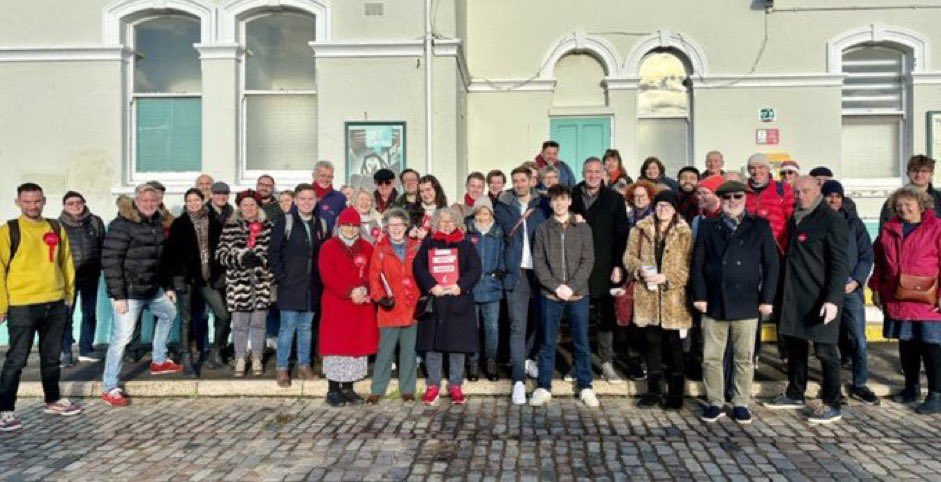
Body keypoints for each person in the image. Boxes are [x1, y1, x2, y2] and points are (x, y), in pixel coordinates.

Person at [691, 180, 779, 424]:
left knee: (744, 357)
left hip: (747, 302)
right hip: (714, 302)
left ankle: (741, 402)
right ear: (720, 199)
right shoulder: (709, 226)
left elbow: (772, 265)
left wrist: (767, 299)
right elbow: (697, 263)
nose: (732, 201)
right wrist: (699, 295)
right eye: (727, 197)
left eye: (737, 197)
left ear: (745, 199)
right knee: (711, 357)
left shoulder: (759, 226)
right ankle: (715, 401)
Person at [764, 176, 848, 424]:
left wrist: (833, 299)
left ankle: (833, 401)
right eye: (796, 191)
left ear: (818, 190)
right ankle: (795, 392)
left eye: (806, 191)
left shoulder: (832, 219)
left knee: (825, 351)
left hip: (820, 296)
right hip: (794, 294)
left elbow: (840, 263)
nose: (801, 195)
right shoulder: (796, 217)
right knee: (795, 347)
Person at [0, 183, 81, 431]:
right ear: (18, 202)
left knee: (51, 358)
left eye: (37, 201)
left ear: (44, 201)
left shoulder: (55, 227)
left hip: (55, 303)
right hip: (23, 305)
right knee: (17, 359)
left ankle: (53, 399)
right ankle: (5, 409)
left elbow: (66, 261)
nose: (32, 206)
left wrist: (68, 294)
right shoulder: (9, 230)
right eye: (27, 202)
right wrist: (2, 306)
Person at [100, 183, 182, 407]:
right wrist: (118, 296)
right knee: (122, 339)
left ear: (158, 202)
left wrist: (167, 287)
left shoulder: (155, 222)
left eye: (153, 201)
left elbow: (160, 260)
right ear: (136, 201)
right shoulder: (121, 225)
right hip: (129, 292)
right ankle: (109, 387)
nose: (149, 204)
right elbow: (111, 261)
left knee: (169, 313)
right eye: (144, 201)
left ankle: (158, 360)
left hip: (152, 289)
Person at [871, 186, 941, 414]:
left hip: (928, 299)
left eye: (908, 204)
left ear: (921, 205)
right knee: (907, 343)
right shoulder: (888, 231)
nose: (903, 208)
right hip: (898, 296)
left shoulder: (936, 228)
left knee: (931, 346)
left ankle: (936, 394)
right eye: (899, 205)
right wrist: (876, 288)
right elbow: (880, 264)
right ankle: (911, 388)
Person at [529, 184, 599, 408]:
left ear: (570, 201)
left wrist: (571, 286)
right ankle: (543, 386)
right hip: (550, 295)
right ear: (550, 203)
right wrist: (555, 286)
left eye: (563, 199)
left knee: (581, 342)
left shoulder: (582, 228)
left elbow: (588, 260)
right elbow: (538, 262)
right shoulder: (542, 229)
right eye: (555, 199)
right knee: (547, 342)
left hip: (578, 294)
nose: (559, 203)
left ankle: (586, 385)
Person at [625, 190, 693, 409]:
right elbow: (628, 257)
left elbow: (689, 265)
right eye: (660, 205)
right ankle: (653, 391)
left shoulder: (684, 232)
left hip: (674, 298)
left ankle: (675, 395)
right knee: (651, 344)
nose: (663, 209)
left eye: (667, 206)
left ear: (675, 209)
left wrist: (667, 277)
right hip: (647, 296)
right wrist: (639, 271)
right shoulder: (640, 229)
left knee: (675, 346)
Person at [414, 207, 482, 405]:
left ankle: (456, 385)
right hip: (435, 300)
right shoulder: (428, 242)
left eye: (450, 221)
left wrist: (459, 286)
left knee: (457, 346)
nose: (446, 224)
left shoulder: (466, 244)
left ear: (457, 223)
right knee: (432, 347)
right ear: (436, 223)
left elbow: (475, 269)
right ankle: (433, 385)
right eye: (442, 221)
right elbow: (418, 266)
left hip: (457, 300)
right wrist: (431, 285)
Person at [570, 157, 630, 383]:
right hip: (576, 266)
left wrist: (618, 265)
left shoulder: (614, 199)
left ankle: (606, 362)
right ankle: (578, 362)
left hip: (604, 265)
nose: (593, 175)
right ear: (583, 173)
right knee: (579, 316)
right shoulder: (572, 196)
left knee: (605, 318)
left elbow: (621, 235)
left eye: (597, 171)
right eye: (589, 171)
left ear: (603, 174)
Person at [820, 180, 878, 405]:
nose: (833, 200)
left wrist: (856, 281)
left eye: (837, 196)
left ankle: (860, 383)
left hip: (850, 289)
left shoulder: (854, 224)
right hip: (825, 291)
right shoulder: (816, 221)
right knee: (827, 341)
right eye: (828, 195)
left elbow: (866, 255)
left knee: (858, 339)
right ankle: (832, 387)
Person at [494, 166, 548, 405]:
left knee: (542, 322)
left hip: (542, 273)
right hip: (516, 274)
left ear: (531, 181)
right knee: (517, 326)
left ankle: (524, 358)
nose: (519, 184)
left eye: (522, 180)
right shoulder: (503, 207)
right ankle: (518, 381)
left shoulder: (543, 205)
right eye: (515, 181)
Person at [164, 188, 230, 376]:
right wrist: (171, 283)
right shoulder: (179, 223)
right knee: (187, 319)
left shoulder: (214, 222)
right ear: (186, 203)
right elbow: (170, 255)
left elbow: (220, 249)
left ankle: (215, 355)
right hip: (186, 279)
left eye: (196, 200)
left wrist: (220, 274)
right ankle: (187, 359)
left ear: (203, 201)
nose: (193, 203)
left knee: (223, 315)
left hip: (208, 278)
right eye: (189, 200)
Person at [269, 183, 328, 387]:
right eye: (302, 198)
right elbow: (273, 253)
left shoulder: (321, 224)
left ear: (316, 201)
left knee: (306, 328)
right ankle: (282, 369)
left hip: (312, 287)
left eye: (310, 199)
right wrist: (282, 278)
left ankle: (304, 367)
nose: (306, 202)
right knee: (287, 328)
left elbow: (324, 256)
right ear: (295, 201)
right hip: (290, 285)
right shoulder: (285, 222)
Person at [319, 207, 378, 407]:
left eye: (354, 226)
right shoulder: (329, 246)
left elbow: (373, 273)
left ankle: (349, 388)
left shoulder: (367, 247)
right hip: (338, 304)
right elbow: (328, 275)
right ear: (340, 226)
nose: (351, 230)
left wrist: (364, 289)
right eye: (347, 225)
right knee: (337, 347)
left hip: (360, 304)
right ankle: (333, 389)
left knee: (355, 348)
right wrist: (348, 291)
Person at [216, 189, 275, 378]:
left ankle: (257, 357)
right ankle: (240, 357)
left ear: (258, 207)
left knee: (259, 323)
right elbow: (220, 254)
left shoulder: (268, 226)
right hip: (238, 284)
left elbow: (275, 254)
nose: (248, 208)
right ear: (239, 207)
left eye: (252, 205)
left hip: (260, 283)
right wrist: (239, 257)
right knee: (239, 324)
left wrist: (261, 261)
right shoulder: (230, 226)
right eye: (245, 205)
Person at [366, 208, 420, 403]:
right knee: (385, 351)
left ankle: (407, 389)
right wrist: (380, 297)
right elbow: (373, 277)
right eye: (391, 225)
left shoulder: (415, 246)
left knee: (408, 351)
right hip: (390, 306)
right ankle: (377, 389)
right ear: (386, 228)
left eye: (400, 225)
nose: (396, 229)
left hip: (411, 305)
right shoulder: (380, 249)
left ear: (406, 226)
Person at [58, 190, 105, 365]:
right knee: (66, 314)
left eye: (79, 202)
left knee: (90, 312)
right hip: (67, 278)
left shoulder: (95, 222)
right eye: (71, 203)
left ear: (84, 203)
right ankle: (65, 352)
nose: (75, 206)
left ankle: (86, 349)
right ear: (64, 206)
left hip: (91, 275)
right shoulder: (57, 225)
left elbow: (103, 247)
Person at [465, 196, 506, 382]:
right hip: (472, 287)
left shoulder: (497, 232)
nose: (482, 217)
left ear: (491, 213)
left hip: (491, 286)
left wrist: (499, 271)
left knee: (492, 328)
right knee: (472, 328)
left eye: (486, 212)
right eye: (479, 213)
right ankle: (473, 362)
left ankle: (491, 361)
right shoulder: (468, 232)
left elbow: (504, 255)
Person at [879, 155, 941, 231]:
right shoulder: (895, 200)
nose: (919, 174)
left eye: (924, 171)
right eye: (915, 170)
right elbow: (885, 231)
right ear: (907, 173)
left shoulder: (940, 198)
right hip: (902, 241)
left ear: (931, 174)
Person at [313, 161, 347, 232]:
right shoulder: (304, 195)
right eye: (322, 175)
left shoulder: (340, 198)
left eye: (329, 177)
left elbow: (344, 223)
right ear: (314, 176)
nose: (326, 179)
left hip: (330, 240)